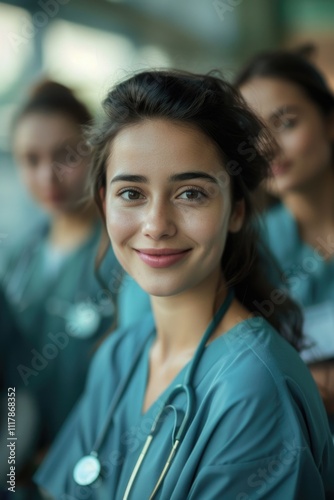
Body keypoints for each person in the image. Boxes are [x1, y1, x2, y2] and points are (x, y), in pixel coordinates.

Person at [34, 70, 334, 499]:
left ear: (237, 211)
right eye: (132, 194)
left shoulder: (254, 389)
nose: (156, 226)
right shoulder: (122, 354)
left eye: (191, 193)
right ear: (104, 203)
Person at [1, 81, 150, 485]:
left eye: (65, 155)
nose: (47, 175)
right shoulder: (16, 259)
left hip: (98, 464)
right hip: (16, 457)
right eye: (30, 160)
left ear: (95, 152)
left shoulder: (131, 257)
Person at [235, 49, 334, 432]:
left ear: (329, 122)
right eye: (250, 133)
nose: (267, 147)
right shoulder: (245, 249)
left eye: (286, 123)